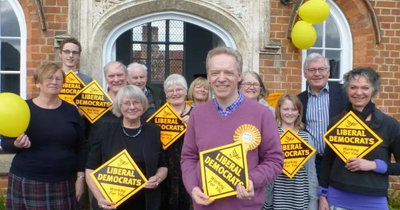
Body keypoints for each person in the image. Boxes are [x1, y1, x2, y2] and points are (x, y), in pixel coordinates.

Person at [181, 47, 283, 210]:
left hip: (245, 206)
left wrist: (251, 180)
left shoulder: (262, 114)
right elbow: (188, 157)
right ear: (208, 77)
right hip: (205, 205)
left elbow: (274, 160)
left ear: (239, 75)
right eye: (215, 73)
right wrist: (192, 187)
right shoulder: (197, 114)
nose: (221, 79)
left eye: (228, 72)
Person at [1, 63, 87, 210]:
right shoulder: (23, 108)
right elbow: (5, 143)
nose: (54, 82)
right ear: (38, 83)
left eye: (58, 79)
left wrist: (81, 178)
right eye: (49, 78)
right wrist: (16, 144)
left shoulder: (71, 111)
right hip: (27, 179)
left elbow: (82, 146)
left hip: (64, 181)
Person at [319, 67, 400, 210]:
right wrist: (322, 195)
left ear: (373, 90)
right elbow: (327, 162)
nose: (358, 93)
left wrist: (374, 165)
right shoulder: (336, 122)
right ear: (347, 90)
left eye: (365, 88)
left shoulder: (390, 125)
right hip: (337, 198)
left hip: (373, 200)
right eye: (353, 87)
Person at [85, 85, 168, 210]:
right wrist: (99, 198)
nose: (132, 107)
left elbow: (163, 165)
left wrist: (157, 178)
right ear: (119, 106)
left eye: (136, 103)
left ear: (144, 105)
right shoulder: (104, 130)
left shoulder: (153, 131)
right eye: (126, 103)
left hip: (145, 202)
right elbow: (90, 168)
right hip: (111, 202)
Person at [263, 94, 318, 210]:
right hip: (277, 196)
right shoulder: (271, 135)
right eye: (286, 109)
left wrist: (313, 199)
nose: (290, 113)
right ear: (279, 111)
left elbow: (311, 172)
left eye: (294, 109)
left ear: (299, 112)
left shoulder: (306, 138)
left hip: (300, 195)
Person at [298, 53, 348, 177]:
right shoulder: (299, 100)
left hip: (340, 160)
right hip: (313, 162)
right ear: (305, 74)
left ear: (328, 72)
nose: (317, 74)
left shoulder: (345, 94)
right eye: (312, 70)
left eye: (321, 69)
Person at [162, 74, 192, 210]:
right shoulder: (160, 114)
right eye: (170, 91)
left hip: (190, 165)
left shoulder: (196, 113)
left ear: (186, 91)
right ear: (166, 94)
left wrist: (194, 123)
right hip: (166, 165)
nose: (175, 93)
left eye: (179, 89)